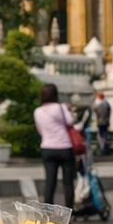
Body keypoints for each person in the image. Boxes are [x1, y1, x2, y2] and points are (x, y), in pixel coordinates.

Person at [33, 83, 77, 211]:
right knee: (68, 182)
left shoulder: (38, 111)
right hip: (64, 147)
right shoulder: (60, 107)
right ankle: (69, 212)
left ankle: (48, 212)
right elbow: (70, 121)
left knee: (50, 181)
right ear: (55, 95)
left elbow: (40, 130)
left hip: (47, 147)